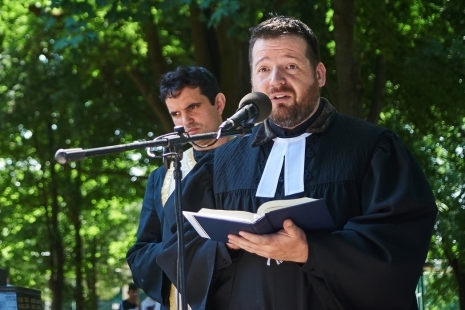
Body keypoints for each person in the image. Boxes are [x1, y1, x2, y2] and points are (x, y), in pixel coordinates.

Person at [157, 15, 437, 309]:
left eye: (291, 66)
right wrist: (227, 244)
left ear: (319, 74)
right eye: (263, 69)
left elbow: (399, 242)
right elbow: (177, 250)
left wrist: (308, 250)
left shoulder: (372, 148)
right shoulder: (222, 162)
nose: (276, 81)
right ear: (253, 81)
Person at [127, 66, 227, 308]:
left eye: (193, 107)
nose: (185, 122)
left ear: (219, 103)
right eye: (175, 114)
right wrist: (184, 256)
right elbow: (140, 253)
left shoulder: (255, 158)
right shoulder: (162, 177)